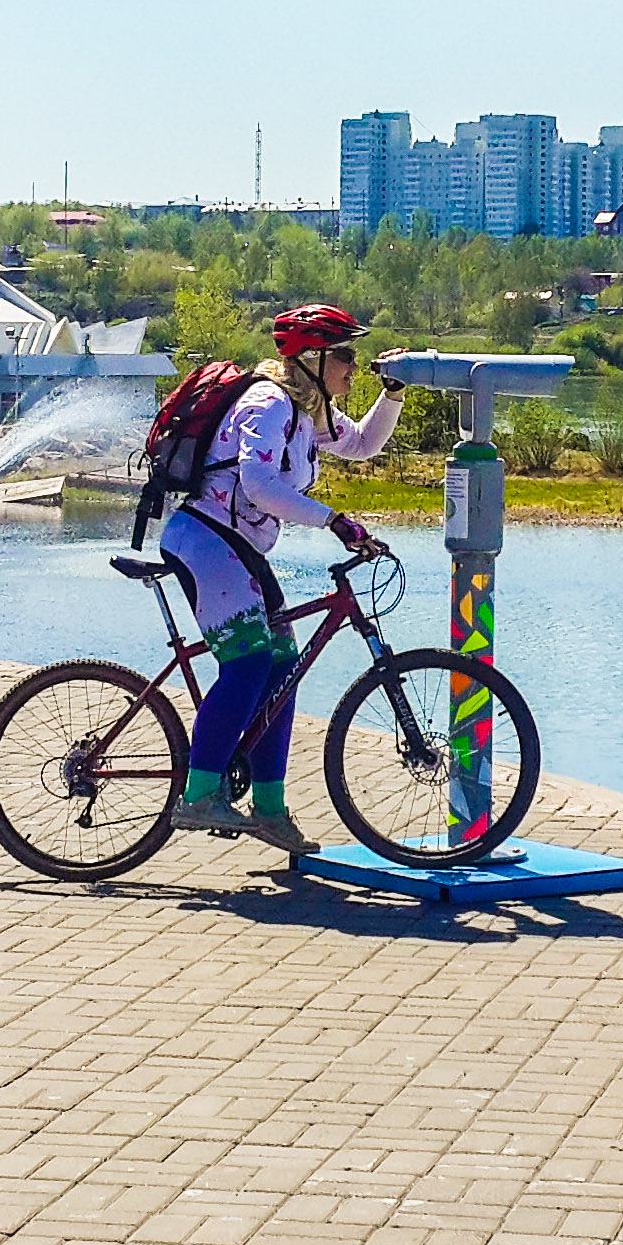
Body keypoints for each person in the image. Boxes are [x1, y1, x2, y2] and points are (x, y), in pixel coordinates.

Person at [162, 304, 403, 854]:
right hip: (207, 543)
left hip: (241, 551)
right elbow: (259, 486)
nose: (352, 365)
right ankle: (200, 794)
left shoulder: (308, 413)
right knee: (248, 663)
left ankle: (269, 808)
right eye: (344, 355)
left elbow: (363, 445)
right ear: (313, 358)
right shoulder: (268, 404)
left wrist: (392, 394)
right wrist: (334, 520)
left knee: (282, 672)